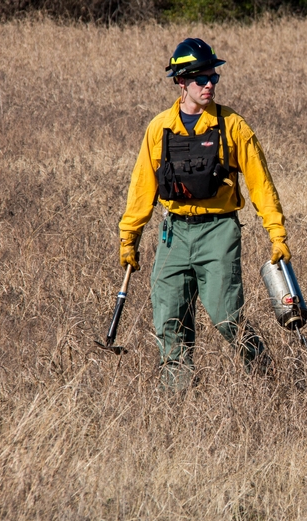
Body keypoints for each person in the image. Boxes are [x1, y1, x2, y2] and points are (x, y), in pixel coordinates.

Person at [118, 37, 290, 390]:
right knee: (169, 320)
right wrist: (129, 238)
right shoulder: (159, 129)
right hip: (174, 233)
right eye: (200, 78)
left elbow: (261, 185)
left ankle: (266, 380)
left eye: (213, 77)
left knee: (227, 317)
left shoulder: (233, 126)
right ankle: (178, 397)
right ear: (181, 82)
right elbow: (141, 189)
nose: (209, 84)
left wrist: (277, 236)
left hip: (219, 232)